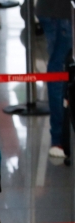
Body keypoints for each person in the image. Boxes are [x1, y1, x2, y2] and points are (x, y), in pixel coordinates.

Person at [36, 0, 73, 158]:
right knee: (59, 73)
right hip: (62, 12)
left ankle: (60, 138)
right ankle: (59, 139)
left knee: (60, 71)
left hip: (52, 10)